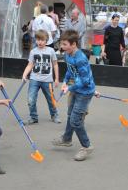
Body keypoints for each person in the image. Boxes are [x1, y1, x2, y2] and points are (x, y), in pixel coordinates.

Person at [52, 29, 96, 161]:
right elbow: (70, 71)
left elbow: (85, 81)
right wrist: (65, 82)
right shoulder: (68, 55)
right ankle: (66, 139)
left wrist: (69, 87)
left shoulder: (81, 59)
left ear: (73, 44)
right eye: (62, 44)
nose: (62, 47)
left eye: (65, 44)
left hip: (85, 92)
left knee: (75, 120)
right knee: (71, 115)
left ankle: (87, 146)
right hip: (76, 89)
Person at [21, 29, 61, 124]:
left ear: (46, 40)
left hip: (47, 80)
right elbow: (30, 65)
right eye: (38, 40)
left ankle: (54, 115)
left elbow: (55, 64)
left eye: (42, 40)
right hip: (34, 79)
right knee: (31, 99)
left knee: (51, 99)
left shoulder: (51, 51)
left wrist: (56, 79)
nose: (40, 42)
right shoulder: (33, 52)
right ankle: (33, 117)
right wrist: (24, 75)